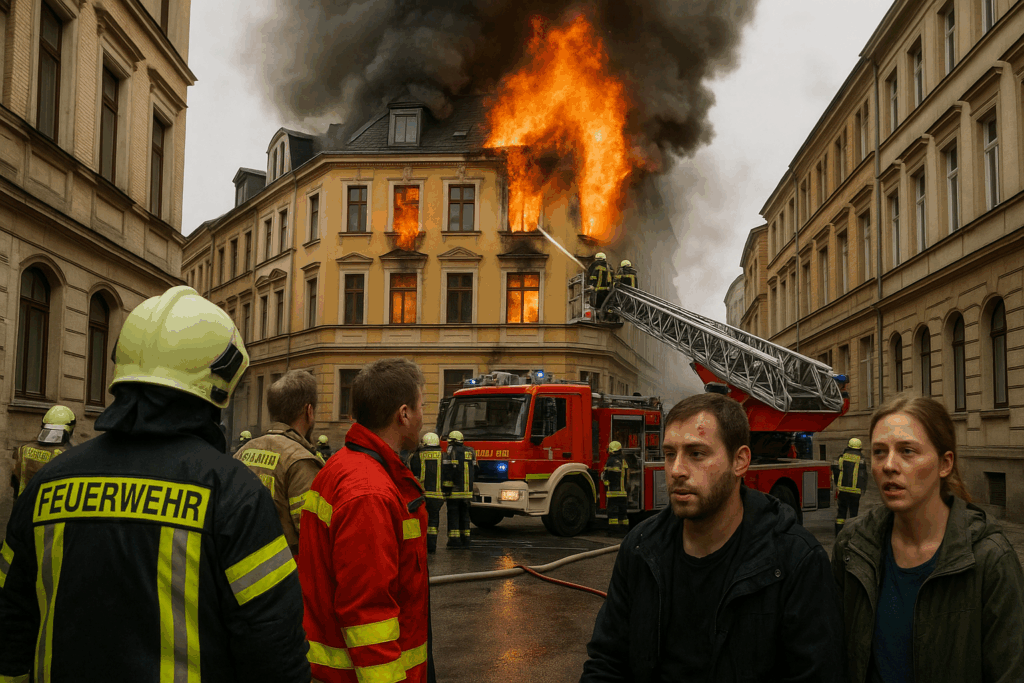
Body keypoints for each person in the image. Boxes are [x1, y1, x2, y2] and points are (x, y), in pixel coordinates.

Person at [0, 285, 309, 682]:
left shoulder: (47, 484)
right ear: (217, 384)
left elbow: (11, 626)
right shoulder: (233, 493)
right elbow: (275, 650)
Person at [580, 392, 844, 682]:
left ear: (740, 461)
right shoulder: (641, 547)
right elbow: (607, 662)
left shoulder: (797, 562)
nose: (677, 470)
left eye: (696, 454)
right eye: (670, 454)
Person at [832, 395, 1024, 683]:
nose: (889, 465)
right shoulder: (852, 547)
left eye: (907, 451)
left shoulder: (990, 559)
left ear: (945, 464)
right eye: (880, 452)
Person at [299, 358, 435, 683]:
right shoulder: (369, 492)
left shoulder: (345, 466)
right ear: (403, 414)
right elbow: (368, 616)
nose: (422, 417)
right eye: (420, 407)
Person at [234, 370, 324, 557]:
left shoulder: (243, 451)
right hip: (286, 572)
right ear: (309, 411)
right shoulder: (300, 461)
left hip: (241, 565)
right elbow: (311, 534)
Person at [10, 405, 75, 498]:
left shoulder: (23, 450)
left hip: (22, 507)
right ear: (70, 430)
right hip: (47, 509)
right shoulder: (66, 455)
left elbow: (15, 481)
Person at [409, 432, 445, 553]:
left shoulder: (417, 455)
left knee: (420, 520)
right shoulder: (443, 456)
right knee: (433, 523)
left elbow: (414, 474)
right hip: (438, 496)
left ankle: (419, 547)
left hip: (422, 495)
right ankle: (431, 547)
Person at [443, 430, 477, 548]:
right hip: (467, 491)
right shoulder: (470, 451)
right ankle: (466, 540)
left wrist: (446, 488)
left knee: (453, 515)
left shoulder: (451, 452)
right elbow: (475, 470)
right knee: (465, 516)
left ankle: (454, 541)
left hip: (455, 491)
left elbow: (448, 471)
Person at [834, 437, 866, 535]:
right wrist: (862, 489)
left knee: (841, 513)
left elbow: (835, 471)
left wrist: (837, 485)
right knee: (853, 513)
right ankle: (851, 535)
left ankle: (838, 533)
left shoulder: (841, 458)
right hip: (855, 492)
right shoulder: (861, 459)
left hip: (842, 490)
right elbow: (863, 475)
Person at [601, 441, 629, 534]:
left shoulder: (610, 461)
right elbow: (627, 475)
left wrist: (605, 482)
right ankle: (624, 529)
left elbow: (607, 476)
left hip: (613, 492)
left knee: (613, 513)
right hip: (623, 492)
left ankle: (613, 531)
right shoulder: (623, 460)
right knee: (622, 513)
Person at [587, 252, 612, 316]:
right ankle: (605, 314)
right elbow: (612, 277)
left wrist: (591, 284)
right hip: (607, 290)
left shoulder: (595, 264)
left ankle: (597, 315)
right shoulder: (608, 266)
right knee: (604, 303)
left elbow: (591, 275)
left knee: (595, 304)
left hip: (597, 289)